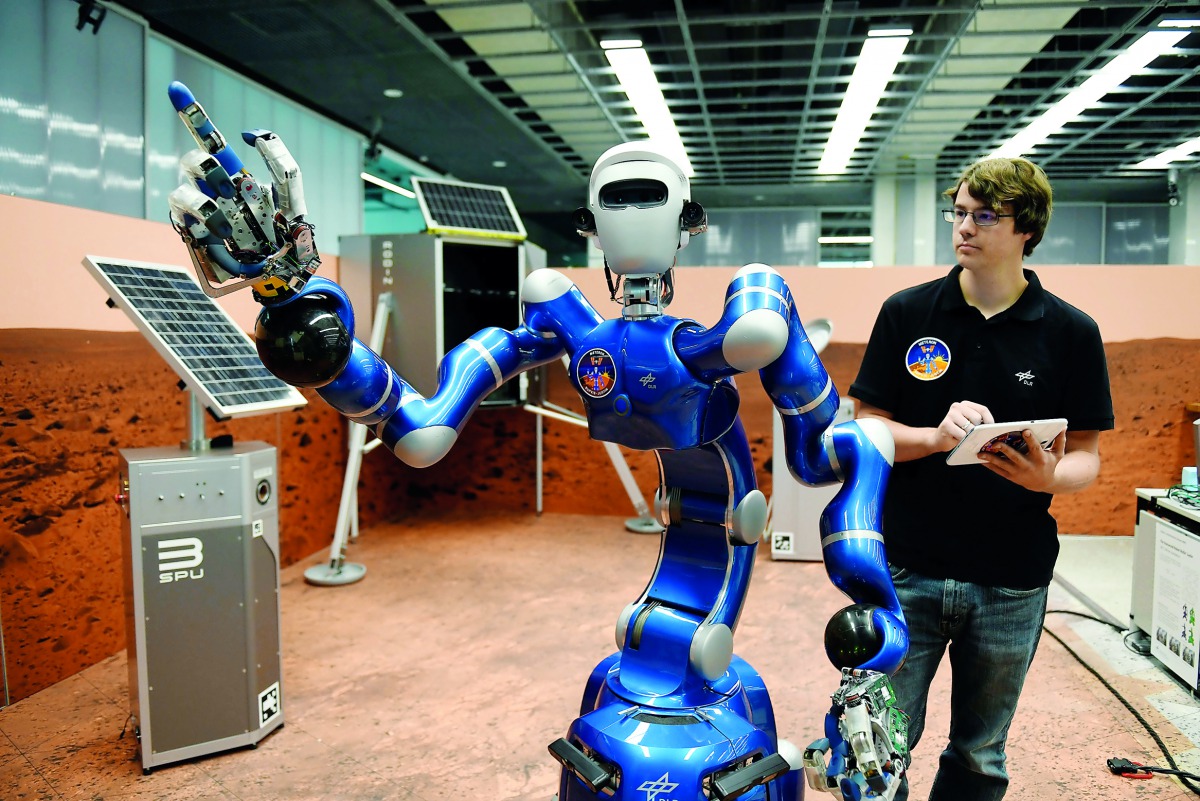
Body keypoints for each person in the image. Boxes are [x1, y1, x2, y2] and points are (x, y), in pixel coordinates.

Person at [848, 156, 1114, 800]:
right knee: (876, 748)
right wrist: (935, 438)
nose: (964, 227)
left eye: (984, 216)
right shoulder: (908, 313)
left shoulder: (1072, 332)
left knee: (980, 753)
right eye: (959, 212)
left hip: (1011, 579)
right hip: (905, 567)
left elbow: (1087, 454)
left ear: (1027, 229)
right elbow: (867, 428)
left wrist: (1047, 476)